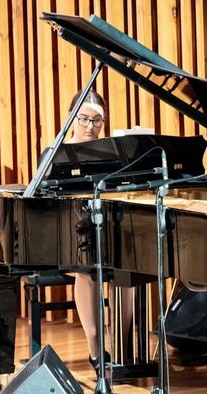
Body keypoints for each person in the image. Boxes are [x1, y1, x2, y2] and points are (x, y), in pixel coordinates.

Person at [63, 89, 134, 375]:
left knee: (128, 266)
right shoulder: (59, 153)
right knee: (86, 265)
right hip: (72, 230)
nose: (90, 126)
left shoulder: (113, 151)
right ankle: (94, 346)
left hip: (109, 222)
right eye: (84, 119)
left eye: (96, 120)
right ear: (72, 118)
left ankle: (121, 345)